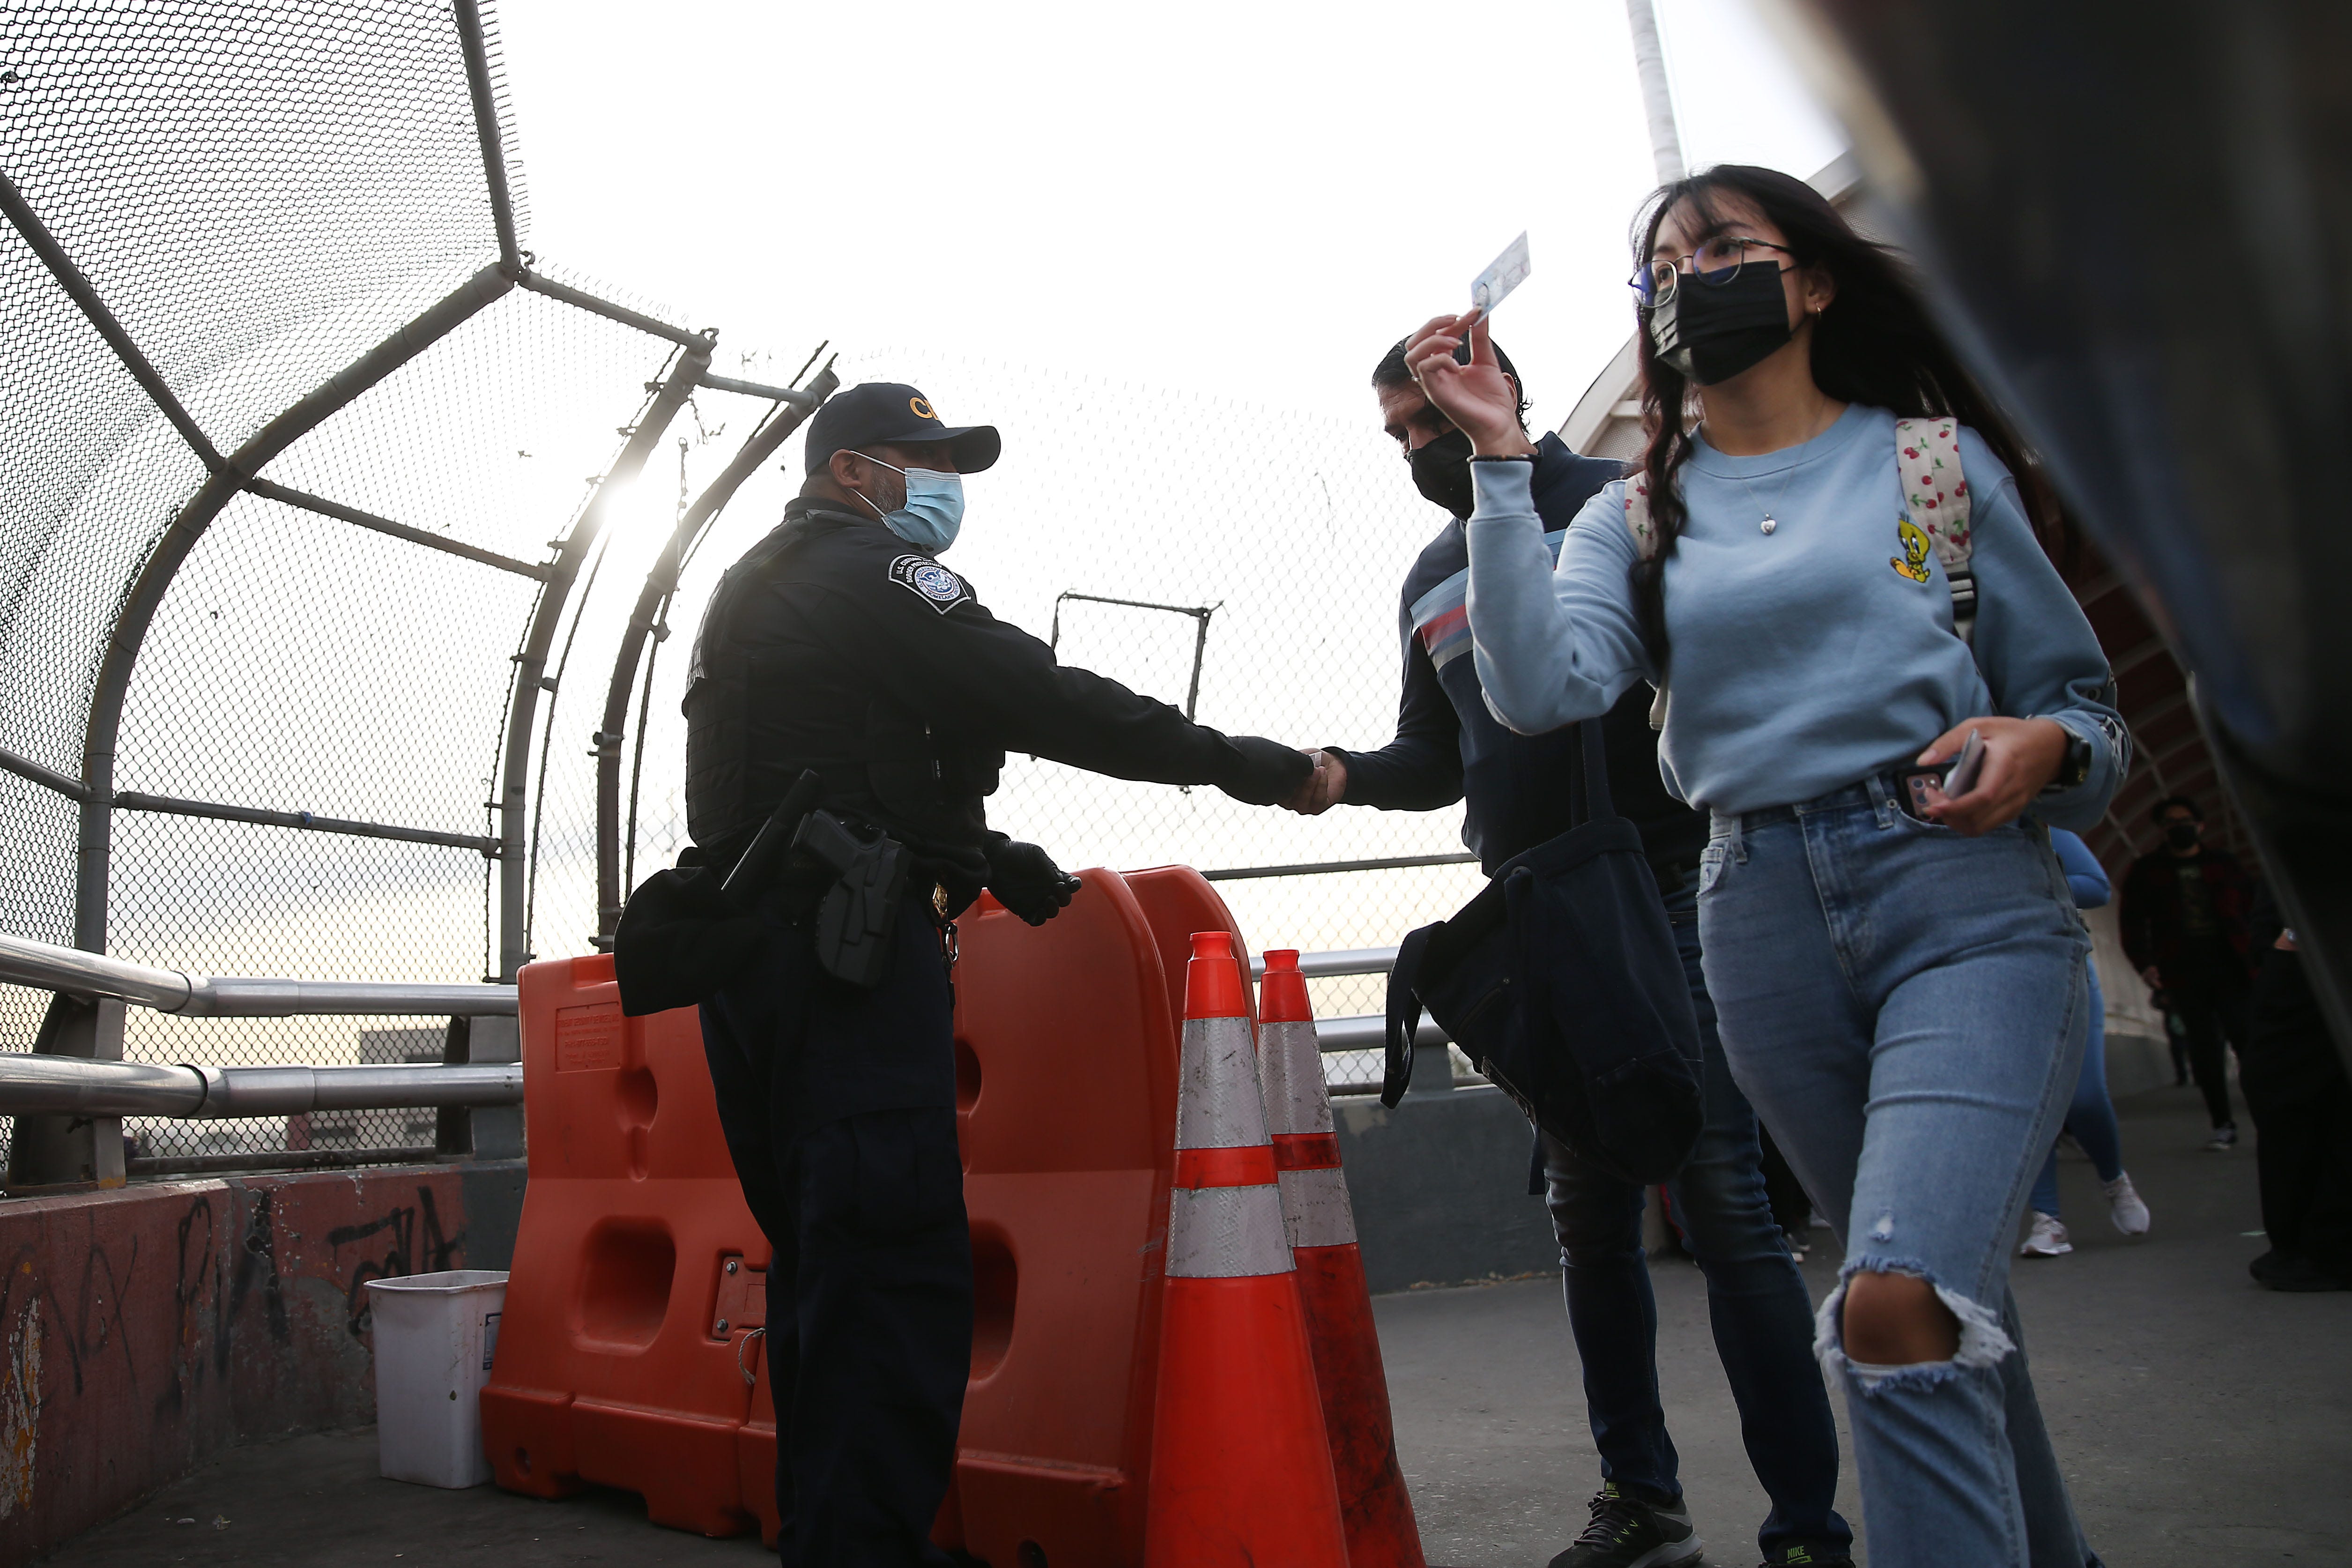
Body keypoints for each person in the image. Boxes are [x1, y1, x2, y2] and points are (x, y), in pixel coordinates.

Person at [1420, 164, 2127, 1568]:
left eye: (1720, 248)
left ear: (1807, 279)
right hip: (1755, 919)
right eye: (1660, 267)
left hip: (1961, 901)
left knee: (1890, 1296)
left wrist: (2043, 742)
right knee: (1931, 1306)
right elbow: (1537, 684)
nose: (1687, 279)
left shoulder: (1927, 463)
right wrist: (1500, 464)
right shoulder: (1630, 515)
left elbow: (2086, 710)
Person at [674, 382, 1311, 1566]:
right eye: (924, 460)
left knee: (829, 1288)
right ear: (855, 470)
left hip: (763, 970)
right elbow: (1040, 695)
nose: (943, 483)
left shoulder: (758, 585)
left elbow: (818, 779)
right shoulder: (874, 576)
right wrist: (1252, 767)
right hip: (847, 978)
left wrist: (983, 857)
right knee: (892, 1292)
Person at [1287, 335, 1851, 1568]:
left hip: (1670, 890)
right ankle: (1642, 1505)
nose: (1410, 451)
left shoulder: (1624, 509)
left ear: (1488, 391)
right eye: (1391, 435)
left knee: (1723, 1201)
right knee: (1588, 1222)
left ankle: (1805, 1525)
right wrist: (1337, 775)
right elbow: (1434, 757)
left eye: (1422, 420)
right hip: (1539, 914)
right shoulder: (1434, 574)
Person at [2020, 829, 2152, 1256]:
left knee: (2086, 1098)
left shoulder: (2041, 826)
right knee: (2033, 1106)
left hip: (2067, 970)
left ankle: (2114, 1179)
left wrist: (2021, 885)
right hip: (2003, 984)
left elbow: (2095, 886)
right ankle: (2047, 1220)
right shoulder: (1947, 840)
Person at [2119, 796, 2257, 1149]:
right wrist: (2145, 963)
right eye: (2170, 822)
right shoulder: (2147, 871)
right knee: (2204, 1050)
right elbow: (2132, 923)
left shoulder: (2225, 865)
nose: (2177, 827)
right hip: (2182, 970)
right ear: (2162, 829)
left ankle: (2266, 1117)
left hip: (2231, 967)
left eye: (2184, 820)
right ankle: (2222, 1124)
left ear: (2199, 826)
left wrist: (2259, 957)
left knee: (2248, 1043)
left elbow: (2251, 911)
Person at [2239, 886, 2352, 1291]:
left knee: (2296, 1096)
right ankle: (2308, 1241)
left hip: (2306, 960)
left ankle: (2326, 1245)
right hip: (2298, 961)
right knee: (2286, 1098)